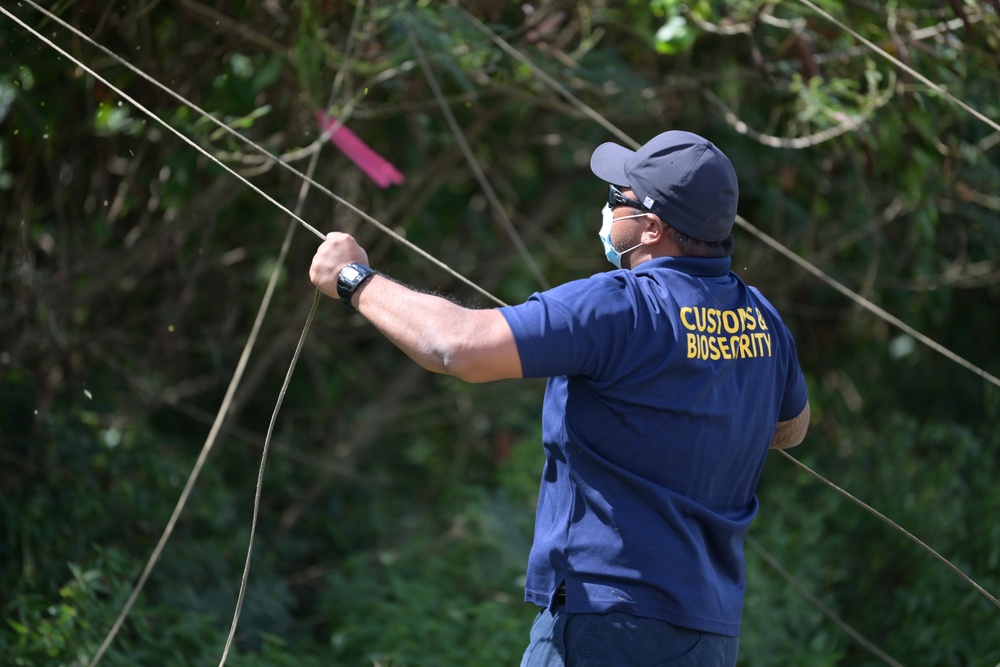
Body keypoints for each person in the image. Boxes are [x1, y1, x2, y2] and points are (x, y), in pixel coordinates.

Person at [309, 130, 810, 667]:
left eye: (618, 200)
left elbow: (455, 346)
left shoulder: (618, 307)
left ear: (651, 228)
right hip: (708, 637)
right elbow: (791, 429)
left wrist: (353, 278)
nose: (607, 210)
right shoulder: (762, 318)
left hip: (607, 623)